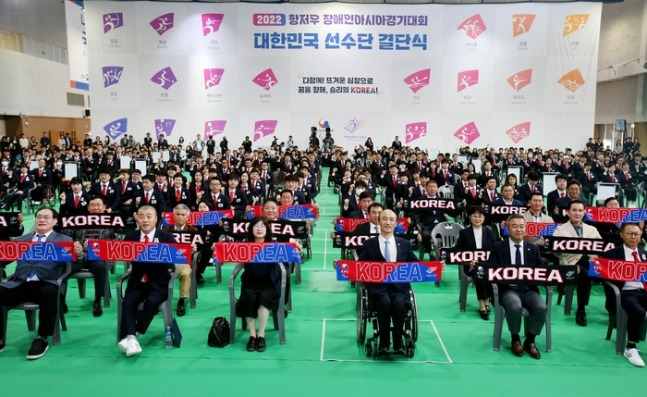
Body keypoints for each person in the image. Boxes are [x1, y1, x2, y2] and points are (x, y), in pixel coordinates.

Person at [0, 207, 83, 360]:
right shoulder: (22, 240)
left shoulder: (64, 241)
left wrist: (79, 254)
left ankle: (42, 338)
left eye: (46, 217)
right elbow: (4, 258)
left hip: (46, 282)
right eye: (39, 217)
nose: (42, 220)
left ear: (55, 221)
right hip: (21, 283)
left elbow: (77, 261)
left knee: (49, 292)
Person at [118, 206, 178, 357]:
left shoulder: (166, 236)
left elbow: (176, 257)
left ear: (156, 218)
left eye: (149, 216)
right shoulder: (130, 236)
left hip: (159, 283)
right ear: (136, 218)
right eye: (142, 216)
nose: (145, 220)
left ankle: (134, 335)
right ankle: (132, 338)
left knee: (152, 302)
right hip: (137, 282)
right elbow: (121, 254)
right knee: (128, 302)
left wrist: (187, 249)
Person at [358, 209, 419, 355]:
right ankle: (384, 343)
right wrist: (342, 266)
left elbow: (416, 264)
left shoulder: (404, 244)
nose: (388, 222)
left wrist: (436, 266)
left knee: (398, 304)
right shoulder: (369, 244)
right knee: (384, 303)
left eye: (391, 219)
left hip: (400, 288)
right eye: (384, 219)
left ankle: (398, 341)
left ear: (396, 222)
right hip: (378, 289)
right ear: (379, 222)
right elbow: (360, 266)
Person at [489, 214, 546, 359]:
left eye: (522, 226)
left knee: (541, 307)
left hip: (528, 289)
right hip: (508, 289)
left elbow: (541, 270)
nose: (518, 229)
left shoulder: (533, 248)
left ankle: (530, 341)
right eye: (514, 226)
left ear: (526, 229)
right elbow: (491, 269)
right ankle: (515, 338)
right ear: (508, 228)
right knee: (514, 306)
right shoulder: (498, 247)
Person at [600, 223, 647, 366]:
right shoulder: (612, 254)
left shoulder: (645, 255)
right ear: (621, 234)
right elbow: (600, 276)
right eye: (630, 233)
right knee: (638, 311)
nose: (633, 237)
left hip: (644, 291)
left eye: (636, 234)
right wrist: (594, 266)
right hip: (625, 293)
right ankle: (630, 347)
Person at [236, 216, 283, 353]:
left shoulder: (274, 244)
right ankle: (252, 335)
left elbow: (288, 251)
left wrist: (296, 247)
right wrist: (218, 249)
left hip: (269, 283)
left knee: (264, 300)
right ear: (251, 229)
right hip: (250, 282)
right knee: (249, 299)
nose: (259, 229)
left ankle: (261, 335)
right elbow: (228, 252)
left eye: (262, 226)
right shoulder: (245, 245)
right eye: (256, 226)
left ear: (267, 229)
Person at [553, 199, 602, 326]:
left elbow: (600, 247)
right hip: (570, 262)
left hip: (589, 261)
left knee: (590, 273)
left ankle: (614, 311)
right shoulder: (560, 229)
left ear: (584, 212)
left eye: (580, 211)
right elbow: (556, 252)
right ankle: (581, 309)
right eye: (574, 210)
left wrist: (595, 258)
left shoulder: (592, 229)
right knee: (584, 276)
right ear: (568, 212)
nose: (577, 213)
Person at [69, 196, 114, 317]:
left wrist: (95, 245)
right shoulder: (79, 221)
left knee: (100, 266)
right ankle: (61, 300)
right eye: (92, 205)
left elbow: (114, 243)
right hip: (79, 255)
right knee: (63, 267)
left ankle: (97, 300)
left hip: (98, 256)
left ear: (104, 207)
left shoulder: (111, 222)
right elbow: (67, 236)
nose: (96, 208)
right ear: (88, 208)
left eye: (99, 205)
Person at [454, 206, 496, 320]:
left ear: (484, 218)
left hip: (487, 264)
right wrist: (468, 262)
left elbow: (495, 250)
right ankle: (482, 304)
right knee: (479, 272)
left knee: (484, 271)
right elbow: (458, 250)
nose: (477, 219)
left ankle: (486, 301)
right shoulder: (464, 232)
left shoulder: (489, 231)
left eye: (480, 216)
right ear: (470, 217)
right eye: (474, 216)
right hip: (470, 266)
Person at [161, 204, 197, 317]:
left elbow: (200, 247)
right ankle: (158, 298)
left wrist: (194, 249)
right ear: (173, 216)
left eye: (183, 215)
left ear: (187, 217)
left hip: (183, 261)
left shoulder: (193, 230)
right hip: (167, 261)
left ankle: (182, 300)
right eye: (178, 214)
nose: (180, 217)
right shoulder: (165, 230)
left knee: (186, 274)